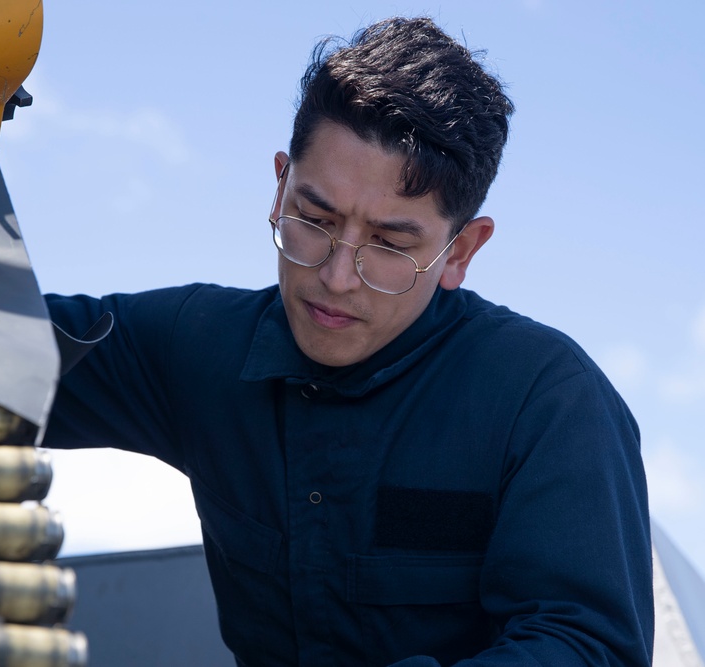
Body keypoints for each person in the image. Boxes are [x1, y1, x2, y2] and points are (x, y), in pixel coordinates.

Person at [42, 16, 654, 666]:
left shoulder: (549, 402)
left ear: (460, 252)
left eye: (390, 244)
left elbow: (589, 648)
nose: (335, 277)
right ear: (279, 188)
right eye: (314, 218)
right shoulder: (196, 346)